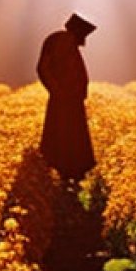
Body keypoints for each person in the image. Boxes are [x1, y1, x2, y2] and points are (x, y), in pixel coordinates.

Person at [37, 13, 96, 182]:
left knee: (70, 136)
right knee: (63, 135)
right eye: (83, 34)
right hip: (64, 99)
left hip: (71, 99)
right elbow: (43, 68)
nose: (84, 40)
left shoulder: (63, 41)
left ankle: (70, 173)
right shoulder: (60, 41)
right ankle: (66, 172)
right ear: (77, 31)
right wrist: (57, 90)